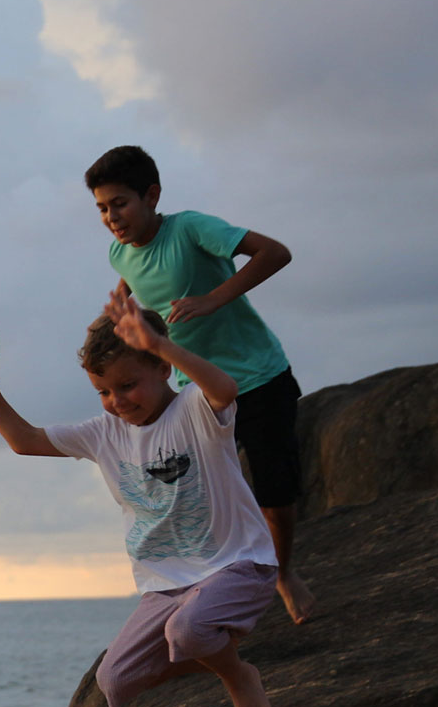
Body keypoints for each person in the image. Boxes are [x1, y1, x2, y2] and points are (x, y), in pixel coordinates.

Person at [0, 289, 279, 707]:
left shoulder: (193, 409)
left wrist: (161, 343)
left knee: (187, 631)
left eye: (127, 385)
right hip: (165, 586)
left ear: (161, 368)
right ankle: (216, 651)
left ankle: (239, 678)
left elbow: (226, 389)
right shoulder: (103, 433)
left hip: (237, 565)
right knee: (115, 681)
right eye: (103, 392)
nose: (117, 400)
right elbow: (23, 439)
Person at [86, 144, 315, 625]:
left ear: (151, 195)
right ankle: (209, 584)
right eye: (103, 208)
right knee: (203, 494)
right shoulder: (118, 254)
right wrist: (118, 320)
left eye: (120, 203)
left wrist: (213, 298)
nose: (111, 217)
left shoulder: (189, 228)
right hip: (194, 396)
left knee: (274, 492)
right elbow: (133, 289)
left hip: (257, 375)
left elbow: (276, 253)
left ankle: (285, 574)